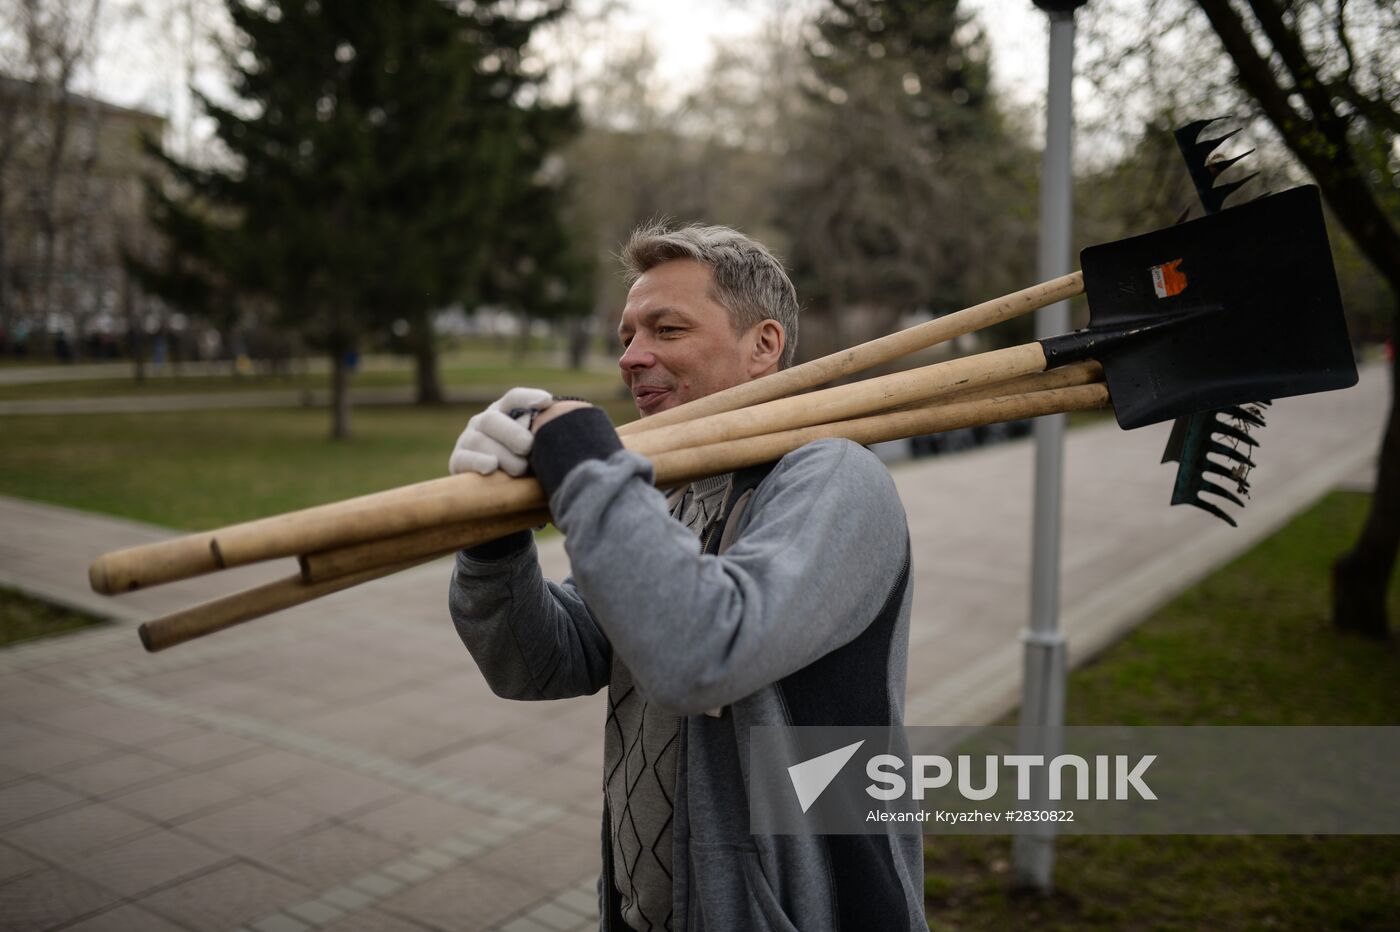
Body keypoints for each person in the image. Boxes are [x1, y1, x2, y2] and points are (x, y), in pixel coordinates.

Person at [448, 222, 925, 931]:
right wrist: (491, 538)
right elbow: (542, 663)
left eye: (666, 330)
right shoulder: (671, 492)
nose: (633, 358)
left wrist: (587, 464)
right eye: (626, 336)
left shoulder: (834, 479)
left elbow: (702, 653)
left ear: (763, 346)